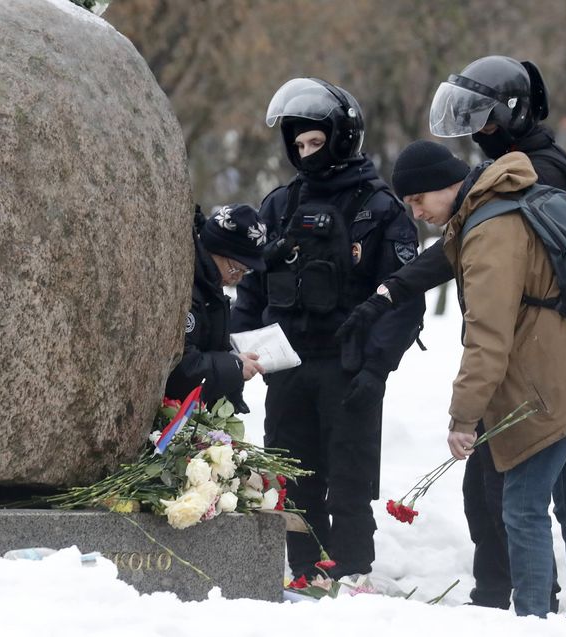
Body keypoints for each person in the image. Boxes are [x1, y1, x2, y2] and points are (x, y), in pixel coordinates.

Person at [339, 55, 566, 610]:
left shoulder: (529, 179)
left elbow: (491, 307)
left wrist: (462, 414)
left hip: (535, 358)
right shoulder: (498, 183)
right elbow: (448, 253)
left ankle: (530, 603)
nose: (479, 134)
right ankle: (503, 596)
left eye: (486, 122)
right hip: (517, 359)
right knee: (493, 493)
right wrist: (386, 294)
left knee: (523, 499)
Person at [390, 140, 566, 620]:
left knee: (523, 510)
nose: (416, 210)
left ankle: (532, 622)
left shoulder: (490, 230)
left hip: (552, 388)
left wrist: (464, 417)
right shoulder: (509, 201)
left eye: (418, 198)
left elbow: (488, 337)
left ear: (448, 184)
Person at [231, 77, 425, 581]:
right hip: (287, 368)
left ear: (341, 137)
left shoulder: (380, 209)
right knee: (292, 481)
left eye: (315, 142)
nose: (306, 152)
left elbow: (404, 300)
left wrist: (376, 367)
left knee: (349, 482)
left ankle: (352, 576)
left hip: (350, 369)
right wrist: (241, 353)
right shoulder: (279, 206)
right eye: (298, 144)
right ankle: (302, 573)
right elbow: (250, 289)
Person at [165, 204, 268, 412]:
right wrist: (234, 367)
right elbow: (180, 369)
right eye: (235, 268)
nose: (236, 278)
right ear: (215, 249)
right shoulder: (189, 287)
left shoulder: (211, 284)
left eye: (245, 272)